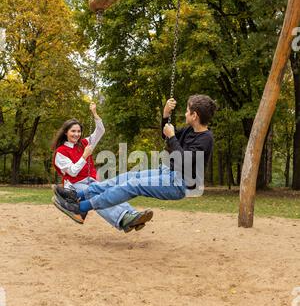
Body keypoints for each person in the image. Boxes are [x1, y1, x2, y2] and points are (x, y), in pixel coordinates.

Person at [53, 95, 216, 220]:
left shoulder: (205, 138)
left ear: (194, 115)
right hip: (168, 172)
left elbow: (183, 160)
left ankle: (82, 207)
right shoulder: (189, 130)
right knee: (129, 176)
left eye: (188, 111)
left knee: (134, 184)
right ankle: (77, 195)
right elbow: (164, 134)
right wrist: (166, 114)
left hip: (181, 184)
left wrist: (172, 137)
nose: (185, 113)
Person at [52, 103, 153, 232]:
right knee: (98, 198)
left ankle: (133, 215)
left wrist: (95, 114)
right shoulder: (61, 152)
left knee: (112, 191)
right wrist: (84, 156)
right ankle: (123, 219)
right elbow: (72, 172)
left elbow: (100, 131)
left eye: (78, 131)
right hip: (74, 186)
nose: (76, 134)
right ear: (66, 132)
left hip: (91, 181)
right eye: (73, 131)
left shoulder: (84, 143)